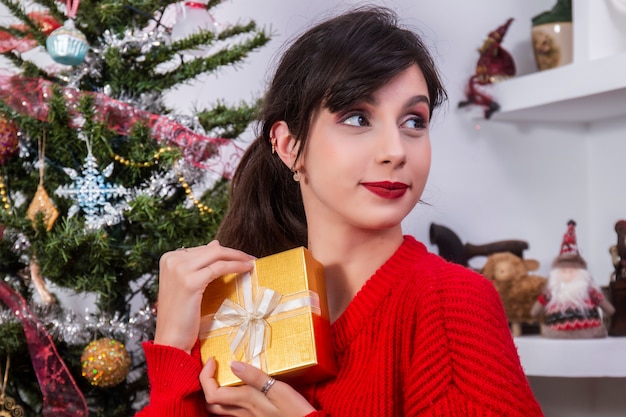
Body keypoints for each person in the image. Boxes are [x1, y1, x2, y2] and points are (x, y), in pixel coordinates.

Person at [137, 6, 544, 417]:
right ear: (288, 146)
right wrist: (172, 343)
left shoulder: (453, 305)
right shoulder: (234, 313)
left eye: (414, 121)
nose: (396, 151)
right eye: (356, 117)